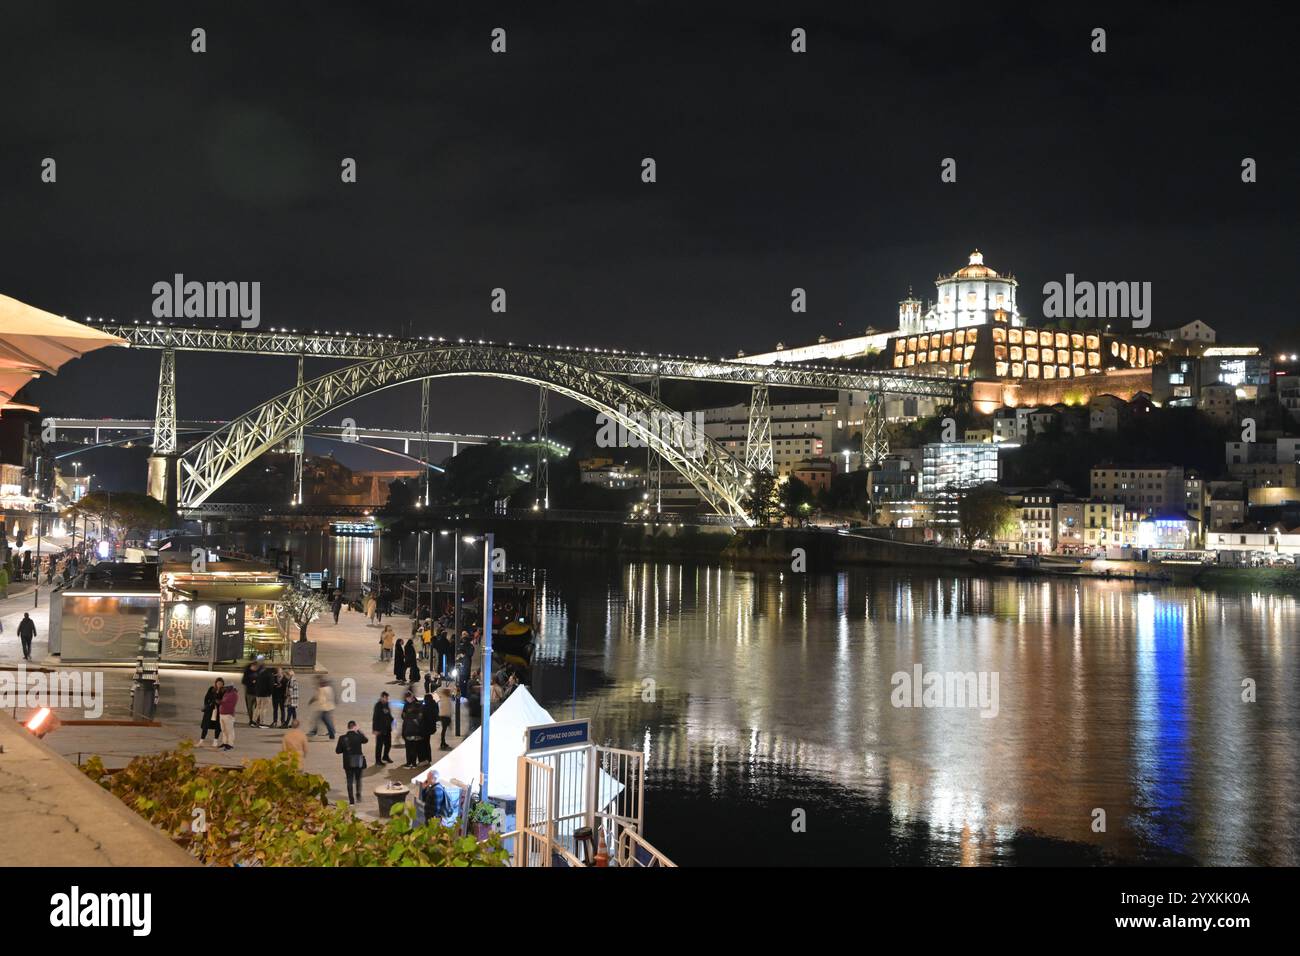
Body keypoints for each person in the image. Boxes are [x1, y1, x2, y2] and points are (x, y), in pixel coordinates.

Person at [335, 721, 369, 805]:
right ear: (355, 727)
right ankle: (358, 795)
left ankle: (351, 800)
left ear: (348, 727)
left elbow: (338, 751)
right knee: (358, 779)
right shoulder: (358, 737)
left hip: (348, 762)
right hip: (358, 761)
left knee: (349, 780)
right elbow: (366, 740)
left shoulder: (342, 738)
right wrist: (359, 731)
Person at [400, 692, 424, 769]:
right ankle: (409, 762)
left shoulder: (417, 704)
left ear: (412, 697)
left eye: (408, 698)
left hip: (415, 730)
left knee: (413, 747)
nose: (407, 699)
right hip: (408, 728)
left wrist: (409, 717)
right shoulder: (406, 704)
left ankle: (413, 763)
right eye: (406, 698)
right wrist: (407, 716)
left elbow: (419, 717)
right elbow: (403, 715)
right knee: (408, 747)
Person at [200, 678, 225, 747]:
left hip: (218, 711)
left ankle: (215, 741)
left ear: (223, 684)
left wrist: (219, 701)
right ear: (216, 683)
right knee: (206, 725)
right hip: (210, 710)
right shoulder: (211, 689)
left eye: (221, 683)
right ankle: (201, 741)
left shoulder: (224, 691)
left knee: (217, 726)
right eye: (218, 683)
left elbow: (224, 701)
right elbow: (206, 698)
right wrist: (206, 705)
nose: (219, 684)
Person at [372, 691, 393, 764]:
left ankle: (385, 756)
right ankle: (378, 760)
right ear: (382, 697)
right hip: (380, 729)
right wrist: (375, 729)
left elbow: (388, 714)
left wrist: (392, 719)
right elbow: (375, 718)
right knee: (379, 746)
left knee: (388, 744)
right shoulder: (378, 706)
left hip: (387, 728)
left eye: (387, 698)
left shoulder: (387, 704)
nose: (387, 699)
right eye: (386, 698)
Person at [253, 659, 275, 728]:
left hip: (258, 694)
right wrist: (271, 693)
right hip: (266, 694)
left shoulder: (259, 674)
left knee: (257, 707)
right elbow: (271, 685)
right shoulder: (270, 675)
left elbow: (255, 683)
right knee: (263, 708)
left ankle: (254, 720)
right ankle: (262, 721)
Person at [217, 683, 238, 750]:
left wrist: (220, 702)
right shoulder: (227, 693)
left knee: (229, 730)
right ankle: (225, 742)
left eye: (227, 687)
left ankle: (230, 744)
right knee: (223, 730)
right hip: (222, 714)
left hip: (228, 714)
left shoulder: (234, 694)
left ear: (231, 688)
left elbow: (228, 703)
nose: (225, 688)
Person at [419, 692, 438, 765]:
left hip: (425, 728)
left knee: (424, 744)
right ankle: (428, 759)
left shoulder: (426, 707)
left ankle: (425, 759)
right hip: (430, 728)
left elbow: (423, 717)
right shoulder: (434, 705)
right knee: (427, 743)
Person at [434, 682, 455, 749]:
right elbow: (448, 708)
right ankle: (442, 743)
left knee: (444, 730)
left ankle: (443, 742)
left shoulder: (444, 698)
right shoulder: (446, 699)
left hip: (444, 715)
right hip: (445, 716)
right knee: (444, 730)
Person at [241, 658, 260, 726]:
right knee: (250, 708)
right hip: (249, 693)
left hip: (258, 693)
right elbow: (244, 682)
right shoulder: (247, 672)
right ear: (252, 666)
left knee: (257, 707)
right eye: (255, 667)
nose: (256, 668)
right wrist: (251, 682)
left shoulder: (259, 672)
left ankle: (257, 720)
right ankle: (251, 720)